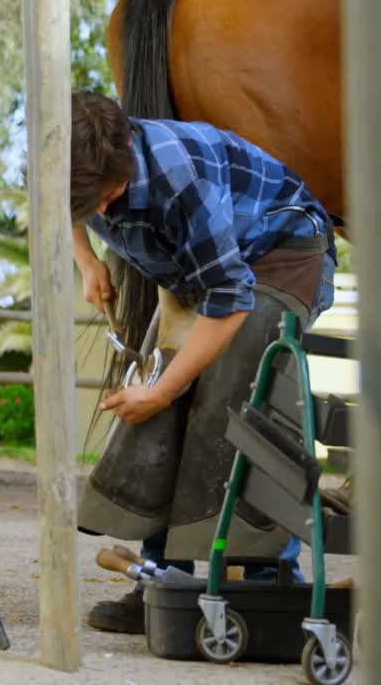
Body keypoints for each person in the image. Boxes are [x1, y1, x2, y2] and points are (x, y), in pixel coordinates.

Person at [69, 89, 337, 634]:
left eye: (107, 194)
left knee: (245, 397)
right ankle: (162, 579)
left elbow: (231, 295)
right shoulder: (65, 158)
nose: (99, 210)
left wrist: (165, 388)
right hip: (197, 267)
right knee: (161, 405)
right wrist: (88, 260)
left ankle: (266, 582)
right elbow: (59, 206)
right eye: (84, 202)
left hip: (278, 255)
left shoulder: (178, 177)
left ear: (126, 148)